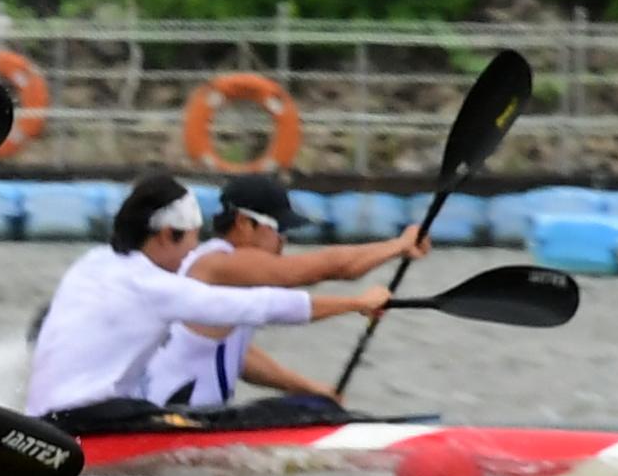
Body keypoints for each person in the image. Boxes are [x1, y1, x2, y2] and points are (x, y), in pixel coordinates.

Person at [26, 173, 391, 429]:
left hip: (55, 418)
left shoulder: (94, 261)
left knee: (297, 405)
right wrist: (355, 304)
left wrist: (309, 387)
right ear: (168, 235)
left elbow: (241, 345)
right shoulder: (159, 286)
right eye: (190, 240)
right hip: (94, 423)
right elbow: (261, 306)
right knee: (286, 413)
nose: (192, 252)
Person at [134, 171, 427, 413]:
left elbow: (241, 358)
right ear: (243, 223)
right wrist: (397, 247)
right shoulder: (218, 265)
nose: (284, 240)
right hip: (171, 419)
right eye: (279, 229)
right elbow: (322, 268)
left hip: (195, 417)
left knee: (312, 405)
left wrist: (309, 388)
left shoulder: (220, 277)